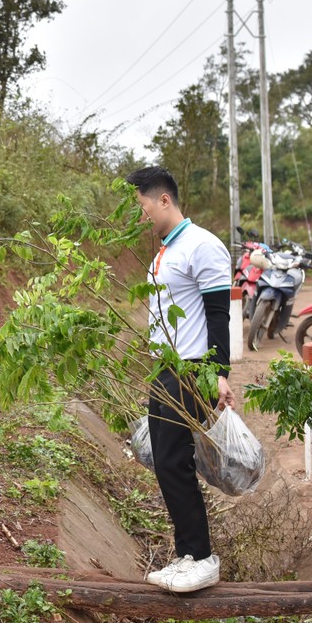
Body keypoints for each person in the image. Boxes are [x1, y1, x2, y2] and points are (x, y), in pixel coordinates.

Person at [126, 166, 234, 594]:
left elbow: (218, 314)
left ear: (164, 201)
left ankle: (202, 557)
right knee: (167, 462)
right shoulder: (164, 250)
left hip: (190, 369)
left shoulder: (202, 246)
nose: (140, 217)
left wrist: (219, 373)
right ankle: (188, 553)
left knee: (174, 461)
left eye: (142, 207)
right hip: (165, 367)